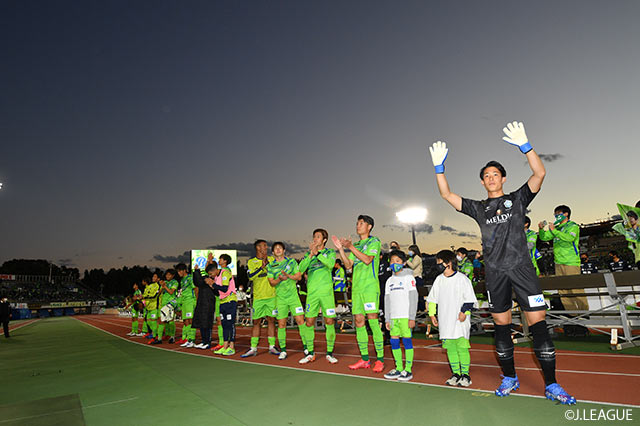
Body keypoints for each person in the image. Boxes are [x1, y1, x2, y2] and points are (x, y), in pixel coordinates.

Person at [429, 121, 576, 404]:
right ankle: (510, 377)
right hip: (495, 273)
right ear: (482, 182)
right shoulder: (478, 208)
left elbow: (539, 173)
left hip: (522, 270)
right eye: (486, 175)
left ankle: (552, 384)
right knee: (501, 326)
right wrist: (439, 168)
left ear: (504, 179)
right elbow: (447, 195)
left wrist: (526, 146)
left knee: (538, 325)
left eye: (495, 174)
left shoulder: (517, 199)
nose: (491, 178)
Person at [333, 215, 385, 373]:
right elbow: (349, 265)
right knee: (359, 321)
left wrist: (350, 247)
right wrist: (341, 250)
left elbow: (368, 260)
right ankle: (364, 359)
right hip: (356, 289)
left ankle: (380, 359)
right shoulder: (355, 245)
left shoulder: (374, 241)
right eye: (357, 223)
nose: (358, 225)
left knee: (373, 320)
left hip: (370, 288)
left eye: (361, 223)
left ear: (369, 227)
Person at [427, 250, 478, 387]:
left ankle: (465, 375)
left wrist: (464, 312)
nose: (438, 265)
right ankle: (456, 373)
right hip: (445, 320)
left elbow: (470, 299)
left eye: (439, 262)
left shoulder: (462, 279)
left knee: (462, 348)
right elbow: (432, 299)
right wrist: (432, 314)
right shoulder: (439, 280)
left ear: (448, 263)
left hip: (459, 320)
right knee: (450, 348)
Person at [299, 229, 339, 364]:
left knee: (329, 321)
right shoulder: (308, 254)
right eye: (314, 237)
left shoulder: (330, 252)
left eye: (318, 237)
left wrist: (318, 254)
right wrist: (311, 255)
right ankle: (310, 353)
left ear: (324, 240)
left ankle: (329, 353)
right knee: (309, 322)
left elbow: (330, 265)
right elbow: (300, 269)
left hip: (326, 294)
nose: (315, 239)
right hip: (312, 294)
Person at [538, 205, 587, 313]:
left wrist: (554, 231)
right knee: (562, 290)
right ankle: (572, 314)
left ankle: (584, 313)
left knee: (576, 288)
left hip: (571, 262)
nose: (556, 216)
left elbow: (569, 238)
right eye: (555, 214)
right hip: (558, 263)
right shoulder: (557, 227)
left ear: (566, 214)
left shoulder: (572, 226)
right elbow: (544, 237)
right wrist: (541, 229)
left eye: (558, 214)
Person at [266, 242, 306, 361]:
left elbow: (298, 277)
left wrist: (288, 276)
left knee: (300, 321)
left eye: (280, 248)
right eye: (275, 249)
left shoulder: (291, 262)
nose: (278, 250)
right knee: (281, 324)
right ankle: (283, 350)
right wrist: (279, 279)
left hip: (293, 297)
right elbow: (271, 283)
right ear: (273, 252)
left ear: (284, 250)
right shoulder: (270, 266)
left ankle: (306, 346)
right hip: (281, 299)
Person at [382, 250, 418, 382]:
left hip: (405, 316)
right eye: (392, 261)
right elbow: (387, 301)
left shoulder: (409, 278)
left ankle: (407, 369)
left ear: (403, 263)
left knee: (407, 342)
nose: (394, 263)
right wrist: (387, 318)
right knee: (394, 341)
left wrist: (412, 317)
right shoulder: (389, 281)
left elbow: (413, 298)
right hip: (393, 317)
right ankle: (398, 367)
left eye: (397, 261)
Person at [242, 240, 278, 357]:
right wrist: (261, 268)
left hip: (272, 296)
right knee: (256, 322)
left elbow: (277, 272)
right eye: (264, 245)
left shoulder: (272, 259)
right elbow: (250, 276)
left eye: (266, 246)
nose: (266, 247)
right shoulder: (251, 262)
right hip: (258, 297)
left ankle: (272, 346)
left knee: (271, 320)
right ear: (258, 248)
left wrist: (269, 265)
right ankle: (253, 348)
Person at [208, 254, 237, 355]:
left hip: (230, 301)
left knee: (230, 324)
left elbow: (225, 288)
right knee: (224, 324)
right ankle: (225, 346)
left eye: (220, 259)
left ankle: (231, 347)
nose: (211, 276)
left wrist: (213, 284)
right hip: (222, 302)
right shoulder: (217, 276)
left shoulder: (225, 272)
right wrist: (212, 286)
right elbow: (217, 292)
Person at [192, 254, 218, 350]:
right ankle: (204, 341)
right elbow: (198, 282)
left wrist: (208, 261)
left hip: (209, 301)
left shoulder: (214, 278)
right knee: (201, 322)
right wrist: (197, 271)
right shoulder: (206, 277)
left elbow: (200, 281)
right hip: (202, 301)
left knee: (207, 322)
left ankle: (207, 342)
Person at [153, 269, 179, 344]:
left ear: (173, 275)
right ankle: (159, 339)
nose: (167, 276)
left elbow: (171, 292)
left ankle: (172, 337)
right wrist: (162, 286)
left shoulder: (175, 282)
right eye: (167, 274)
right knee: (161, 321)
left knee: (170, 321)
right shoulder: (165, 282)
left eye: (169, 275)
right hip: (163, 303)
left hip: (170, 303)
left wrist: (165, 286)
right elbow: (159, 293)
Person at [176, 263, 197, 347]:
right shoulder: (182, 280)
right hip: (184, 302)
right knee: (185, 321)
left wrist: (197, 300)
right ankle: (188, 339)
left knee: (190, 320)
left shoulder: (190, 278)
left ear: (184, 270)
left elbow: (195, 288)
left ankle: (192, 339)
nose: (178, 273)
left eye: (179, 271)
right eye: (178, 271)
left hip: (190, 301)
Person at [142, 275, 160, 342]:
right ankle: (154, 333)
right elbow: (145, 295)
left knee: (154, 322)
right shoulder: (150, 286)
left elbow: (154, 296)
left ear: (158, 279)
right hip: (148, 307)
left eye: (155, 277)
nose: (153, 278)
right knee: (149, 322)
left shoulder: (158, 286)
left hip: (154, 307)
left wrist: (146, 297)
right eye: (153, 277)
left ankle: (155, 336)